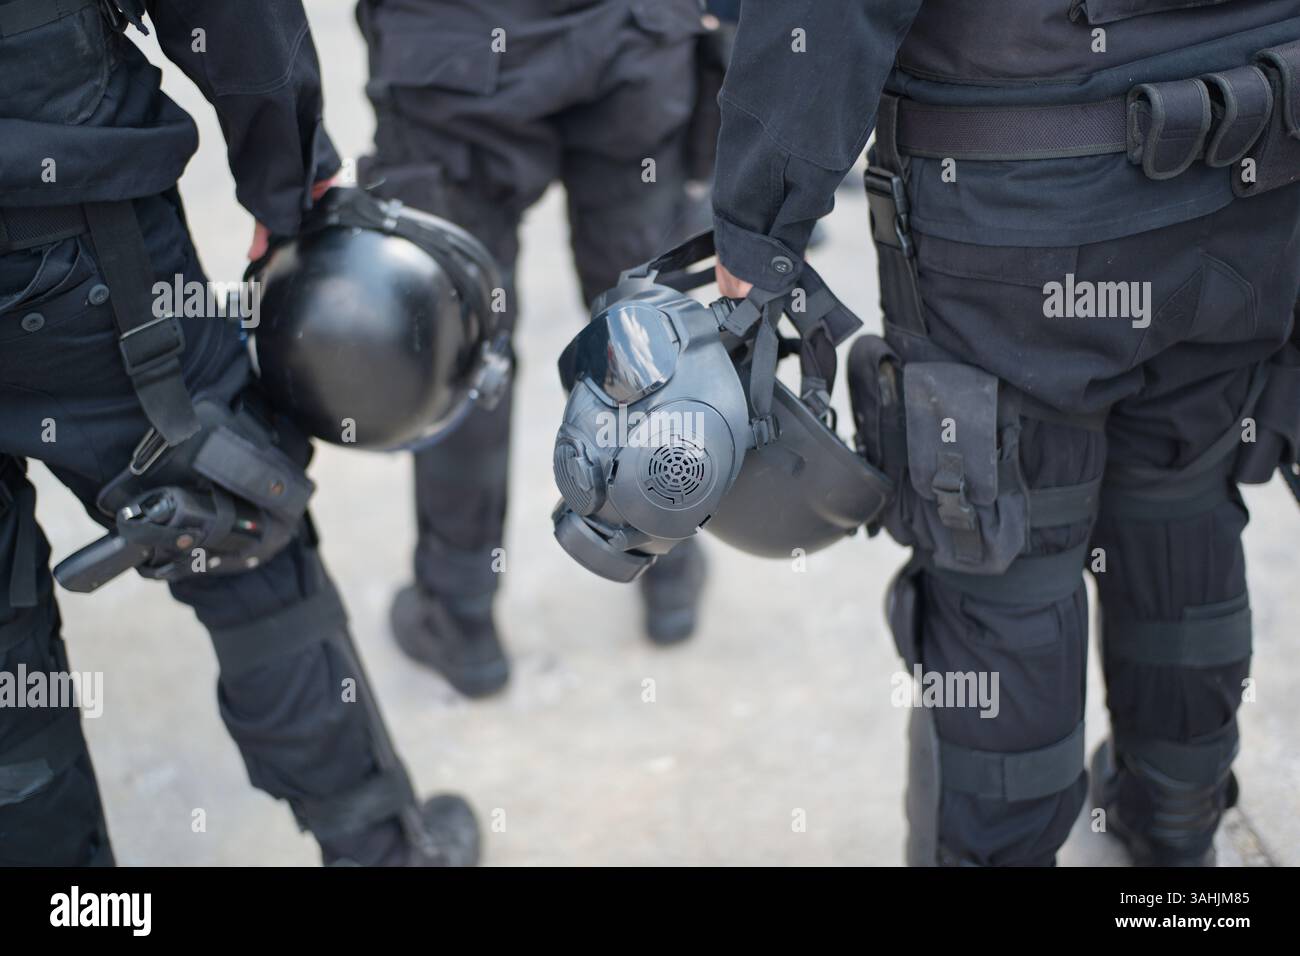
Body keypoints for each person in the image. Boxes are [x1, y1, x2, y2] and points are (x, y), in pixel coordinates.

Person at [712, 0, 1300, 866]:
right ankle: (1176, 824)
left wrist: (759, 226)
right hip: (1251, 172)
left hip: (1023, 210)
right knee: (1182, 500)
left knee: (1003, 560)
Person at [0, 0, 478, 866]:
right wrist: (290, 178)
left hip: (65, 232)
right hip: (75, 248)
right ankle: (380, 854)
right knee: (241, 534)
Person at [356, 0, 711, 699]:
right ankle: (668, 568)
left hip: (451, 52)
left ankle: (462, 617)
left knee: (465, 346)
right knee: (642, 323)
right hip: (627, 38)